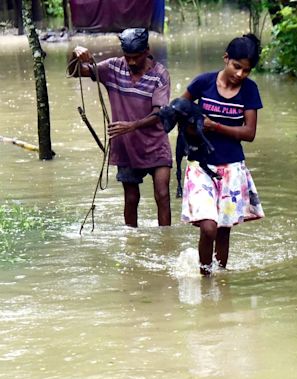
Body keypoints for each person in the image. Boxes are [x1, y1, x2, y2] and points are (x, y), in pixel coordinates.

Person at [69, 28, 172, 227]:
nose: (131, 62)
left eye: (136, 57)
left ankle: (165, 245)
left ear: (147, 51)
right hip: (126, 146)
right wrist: (75, 54)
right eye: (128, 57)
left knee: (163, 195)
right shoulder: (113, 68)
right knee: (131, 198)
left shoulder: (160, 75)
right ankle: (131, 244)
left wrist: (132, 125)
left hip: (155, 145)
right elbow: (75, 72)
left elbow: (160, 113)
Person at [180, 33, 265, 275]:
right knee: (208, 228)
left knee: (223, 230)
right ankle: (205, 277)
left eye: (246, 70)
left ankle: (219, 281)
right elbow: (179, 108)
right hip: (200, 165)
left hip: (232, 168)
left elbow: (249, 133)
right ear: (225, 58)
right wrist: (189, 125)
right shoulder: (203, 83)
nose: (240, 74)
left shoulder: (249, 90)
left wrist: (215, 126)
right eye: (236, 66)